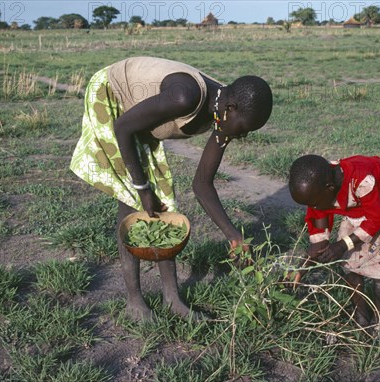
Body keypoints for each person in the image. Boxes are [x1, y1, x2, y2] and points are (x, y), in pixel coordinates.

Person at [70, 57, 273, 321]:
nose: (241, 136)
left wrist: (234, 236)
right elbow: (123, 127)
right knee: (133, 200)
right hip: (113, 96)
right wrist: (142, 187)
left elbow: (202, 184)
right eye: (244, 129)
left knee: (164, 201)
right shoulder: (184, 97)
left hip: (138, 118)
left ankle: (172, 300)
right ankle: (134, 302)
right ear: (231, 108)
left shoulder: (223, 111)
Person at [288, 154, 380, 326]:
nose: (314, 208)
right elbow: (319, 241)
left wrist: (343, 245)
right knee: (350, 265)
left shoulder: (361, 181)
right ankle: (361, 317)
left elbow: (376, 219)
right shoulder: (319, 194)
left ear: (330, 188)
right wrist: (301, 270)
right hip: (363, 207)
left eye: (315, 204)